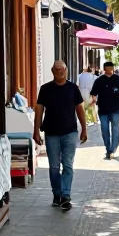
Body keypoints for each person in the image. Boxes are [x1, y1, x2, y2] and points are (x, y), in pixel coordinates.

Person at [34, 61, 87, 211]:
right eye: (57, 70)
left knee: (68, 164)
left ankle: (65, 195)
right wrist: (36, 130)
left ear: (66, 70)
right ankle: (57, 194)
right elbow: (39, 110)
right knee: (54, 167)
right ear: (52, 71)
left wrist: (84, 128)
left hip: (70, 132)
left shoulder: (73, 88)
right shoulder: (45, 89)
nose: (60, 72)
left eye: (63, 69)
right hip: (51, 133)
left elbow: (80, 109)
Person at [91, 61, 119, 159]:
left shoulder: (118, 79)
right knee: (104, 130)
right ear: (105, 69)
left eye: (112, 68)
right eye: (108, 68)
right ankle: (108, 148)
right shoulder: (99, 80)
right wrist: (94, 98)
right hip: (103, 109)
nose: (110, 70)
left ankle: (113, 148)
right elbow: (94, 92)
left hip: (115, 109)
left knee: (115, 128)